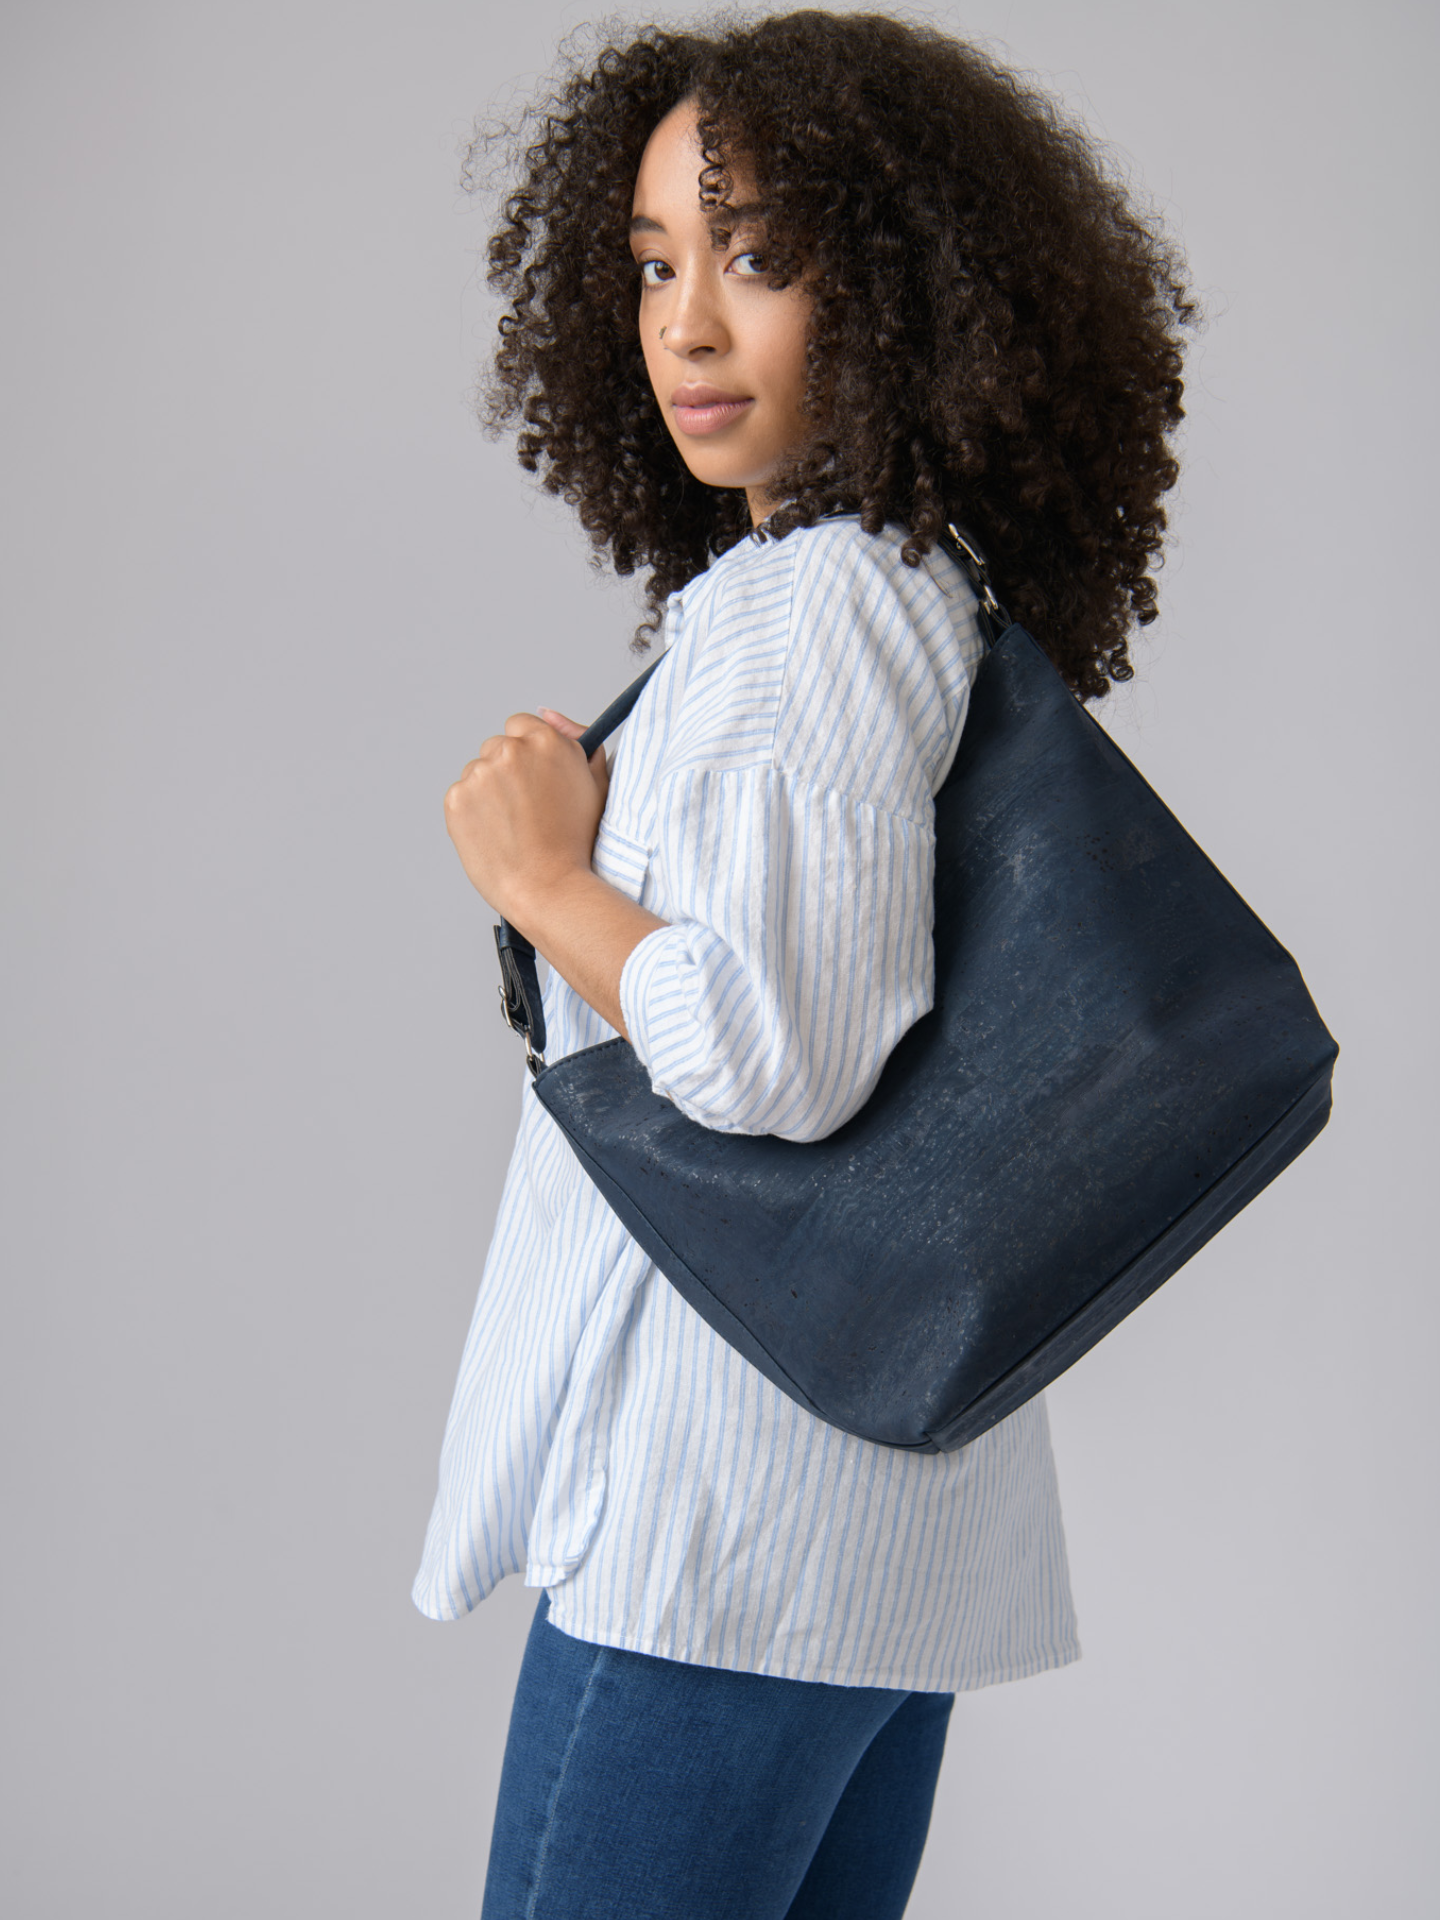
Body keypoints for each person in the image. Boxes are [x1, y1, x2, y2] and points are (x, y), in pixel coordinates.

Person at [413, 12, 1193, 1915]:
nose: (687, 326)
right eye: (654, 264)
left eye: (758, 259)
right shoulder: (897, 588)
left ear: (904, 294)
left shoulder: (818, 606)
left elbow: (779, 1049)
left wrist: (544, 881)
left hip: (721, 1526)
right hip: (858, 1524)